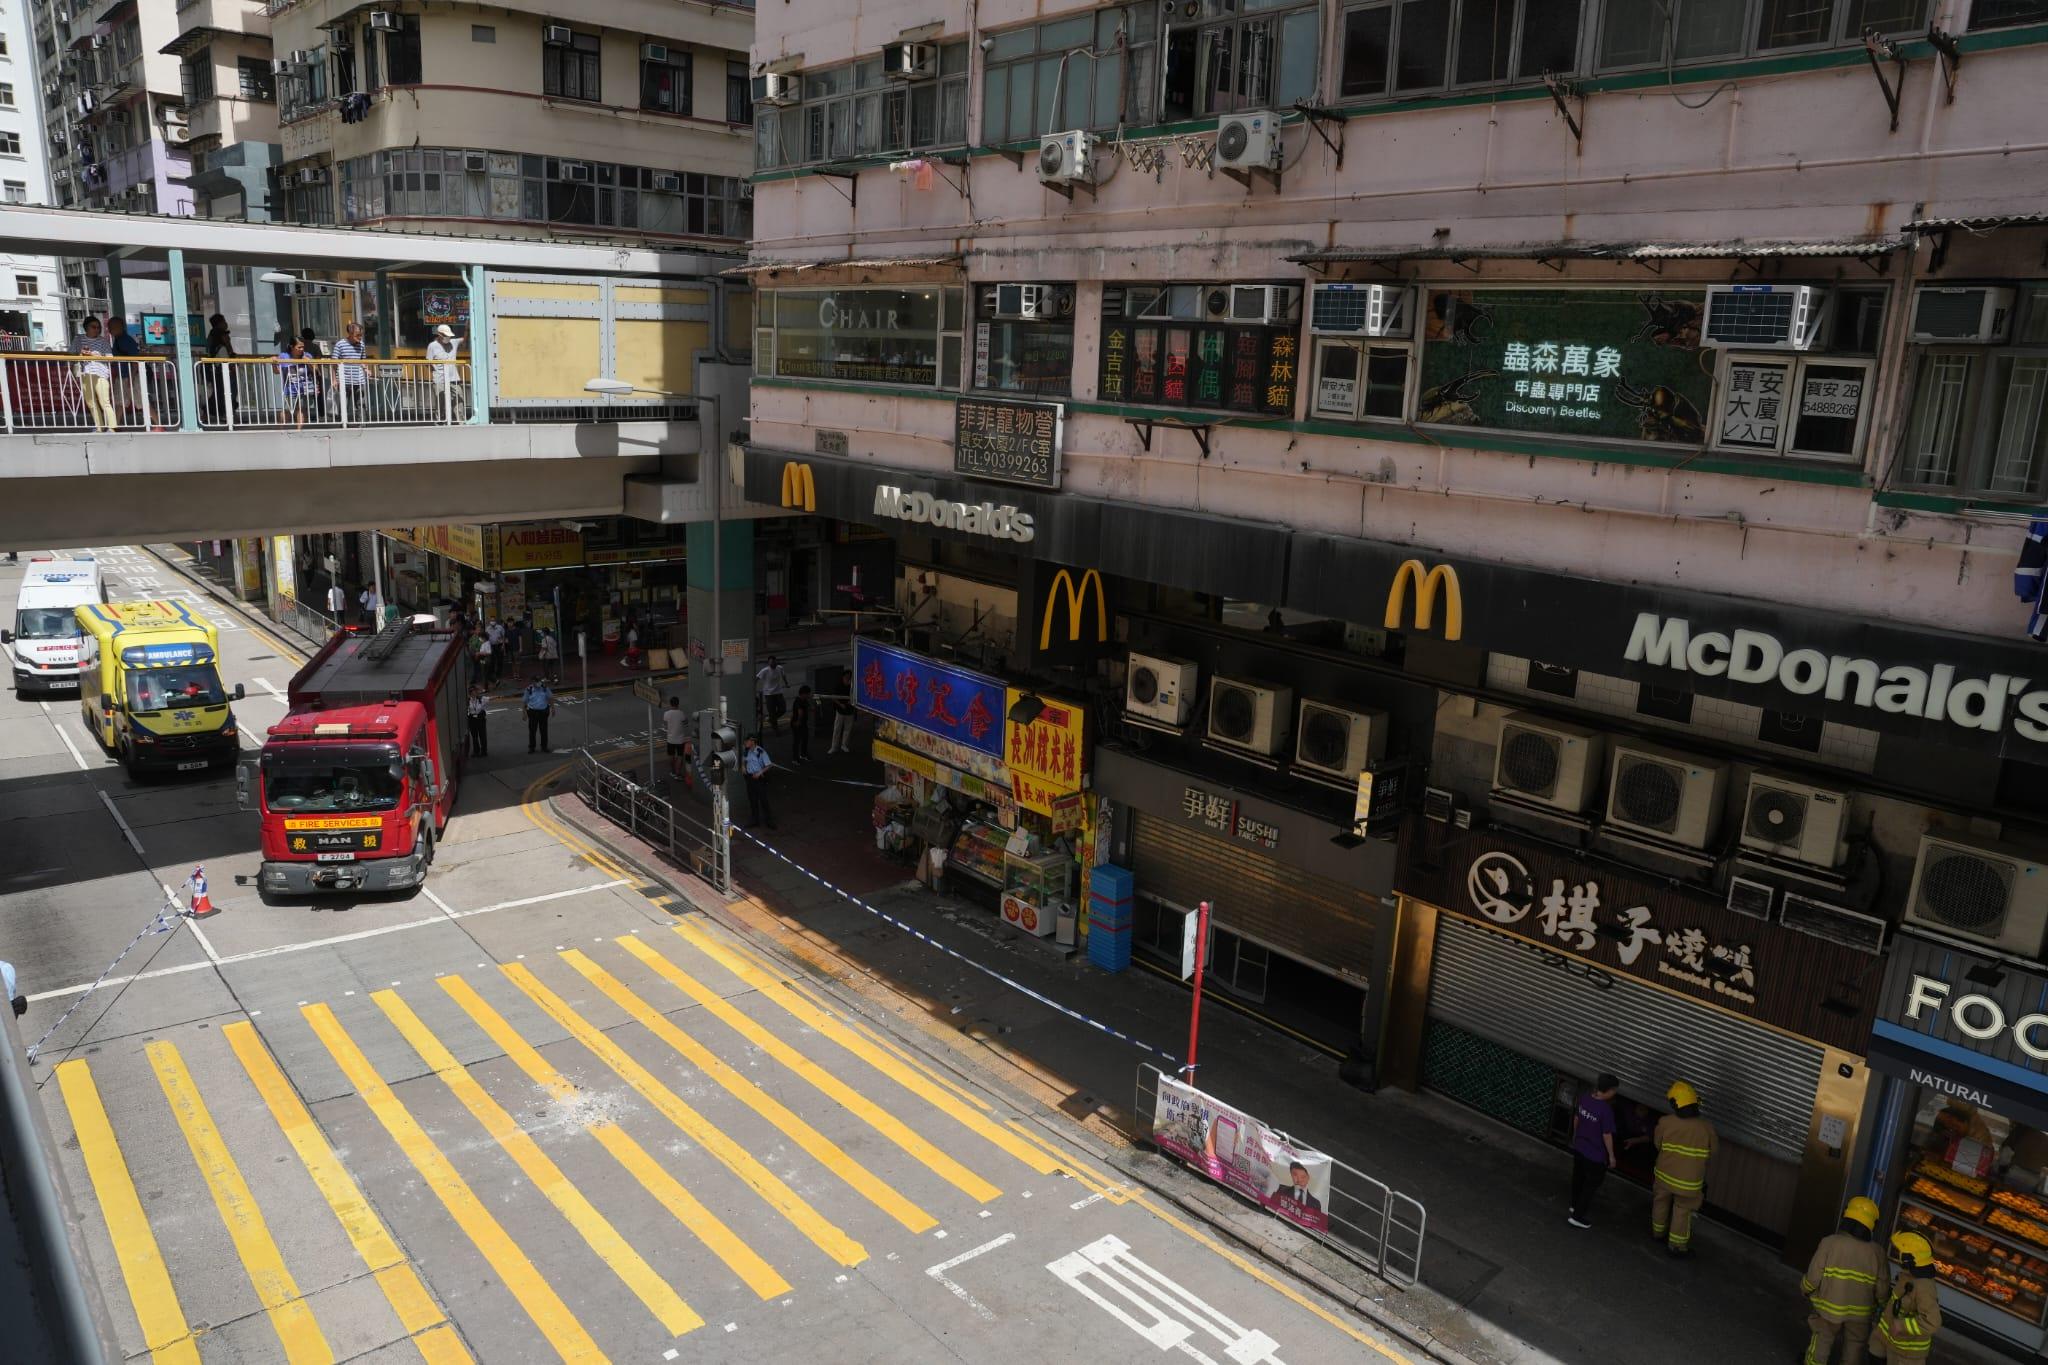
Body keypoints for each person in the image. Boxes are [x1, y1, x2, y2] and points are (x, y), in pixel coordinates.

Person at [1803, 1197, 1888, 1365]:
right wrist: (1882, 1305)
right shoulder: (1878, 1252)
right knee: (1855, 1347)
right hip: (1861, 1314)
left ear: (1846, 1217)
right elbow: (1883, 1288)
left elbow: (1813, 1277)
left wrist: (1805, 1289)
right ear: (1872, 1225)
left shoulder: (1829, 1242)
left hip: (1829, 1309)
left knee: (1822, 1340)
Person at [1650, 1080, 1718, 1257]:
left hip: (1664, 1175)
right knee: (1682, 1211)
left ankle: (1657, 1233)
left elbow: (1657, 1144)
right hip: (1688, 1183)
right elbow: (1714, 1151)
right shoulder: (1707, 1128)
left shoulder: (1665, 1122)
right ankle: (1676, 1246)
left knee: (1660, 1202)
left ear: (1675, 1104)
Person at [1870, 1232, 1940, 1360]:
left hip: (1906, 1353)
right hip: (1888, 1341)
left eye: (1901, 1252)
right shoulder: (1908, 1275)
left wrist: (1902, 1325)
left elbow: (1932, 1322)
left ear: (1909, 1259)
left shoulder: (1924, 1287)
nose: (1898, 1255)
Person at [1566, 1072, 1620, 1229]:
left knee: (1578, 1177)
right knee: (1591, 1184)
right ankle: (1577, 1217)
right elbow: (1606, 1134)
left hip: (1580, 1147)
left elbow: (1577, 1118)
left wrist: (1575, 1136)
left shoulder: (1585, 1099)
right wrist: (1611, 1156)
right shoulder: (1606, 1110)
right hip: (1595, 1154)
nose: (1614, 1093)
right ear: (1609, 1090)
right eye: (1614, 1090)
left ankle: (1574, 1205)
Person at [76, 316, 117, 432]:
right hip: (86, 373)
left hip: (101, 373)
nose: (97, 329)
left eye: (98, 327)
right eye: (93, 327)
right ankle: (100, 427)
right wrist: (80, 354)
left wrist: (95, 355)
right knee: (91, 402)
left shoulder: (103, 341)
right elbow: (71, 353)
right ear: (86, 328)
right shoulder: (79, 339)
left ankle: (112, 427)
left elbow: (110, 358)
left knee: (105, 402)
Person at [333, 321, 369, 423]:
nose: (360, 337)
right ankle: (343, 423)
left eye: (361, 335)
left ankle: (362, 423)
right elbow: (334, 363)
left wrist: (366, 369)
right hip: (344, 379)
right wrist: (334, 379)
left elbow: (362, 360)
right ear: (350, 333)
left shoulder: (361, 345)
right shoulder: (340, 344)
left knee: (361, 402)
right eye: (357, 335)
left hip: (358, 379)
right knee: (344, 402)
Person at [202, 314, 235, 426]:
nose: (226, 323)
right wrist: (232, 364)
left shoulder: (211, 335)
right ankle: (223, 414)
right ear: (220, 323)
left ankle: (213, 414)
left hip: (213, 369)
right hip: (219, 369)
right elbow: (228, 352)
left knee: (219, 392)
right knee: (223, 392)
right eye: (224, 321)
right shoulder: (220, 336)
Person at [277, 335, 314, 430]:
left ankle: (299, 430)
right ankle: (281, 429)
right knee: (287, 410)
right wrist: (274, 363)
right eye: (299, 347)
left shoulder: (307, 355)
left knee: (301, 409)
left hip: (304, 388)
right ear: (292, 347)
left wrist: (309, 362)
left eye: (303, 347)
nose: (302, 349)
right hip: (290, 388)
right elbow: (277, 371)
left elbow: (316, 369)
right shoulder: (284, 356)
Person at [427, 323, 463, 420]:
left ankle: (461, 421)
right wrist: (435, 374)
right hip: (439, 379)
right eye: (445, 335)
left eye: (449, 335)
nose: (448, 337)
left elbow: (465, 339)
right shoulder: (432, 346)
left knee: (459, 399)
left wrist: (468, 328)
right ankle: (440, 421)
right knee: (440, 402)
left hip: (454, 378)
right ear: (439, 334)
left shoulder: (453, 342)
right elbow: (428, 362)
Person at [741, 734, 775, 828]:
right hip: (749, 778)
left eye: (747, 741)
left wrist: (760, 773)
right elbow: (744, 759)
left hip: (759, 779)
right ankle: (755, 820)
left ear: (752, 741)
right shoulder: (746, 751)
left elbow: (769, 765)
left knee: (763, 800)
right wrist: (743, 766)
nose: (745, 742)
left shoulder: (760, 751)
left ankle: (769, 821)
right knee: (752, 800)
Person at [663, 695, 693, 786]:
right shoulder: (681, 714)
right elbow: (686, 723)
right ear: (678, 704)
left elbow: (665, 724)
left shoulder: (666, 714)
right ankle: (678, 773)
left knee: (671, 756)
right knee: (680, 756)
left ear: (670, 704)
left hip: (670, 739)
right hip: (680, 740)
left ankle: (672, 771)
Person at [523, 674, 555, 753]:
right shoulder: (529, 689)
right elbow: (525, 701)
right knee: (532, 731)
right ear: (532, 682)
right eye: (536, 681)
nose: (538, 683)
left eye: (539, 681)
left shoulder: (544, 688)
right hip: (532, 712)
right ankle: (532, 747)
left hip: (543, 711)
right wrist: (524, 713)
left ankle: (544, 747)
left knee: (544, 731)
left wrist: (553, 708)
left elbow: (550, 697)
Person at [757, 656, 790, 731]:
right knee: (772, 712)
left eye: (774, 662)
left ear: (776, 661)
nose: (773, 664)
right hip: (769, 694)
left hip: (778, 692)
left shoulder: (780, 668)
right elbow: (757, 678)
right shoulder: (765, 670)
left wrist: (786, 683)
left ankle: (771, 719)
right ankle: (776, 729)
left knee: (783, 709)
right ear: (768, 663)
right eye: (771, 662)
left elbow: (783, 676)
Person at [789, 685, 814, 762]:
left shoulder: (804, 700)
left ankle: (803, 755)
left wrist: (811, 707)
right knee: (797, 741)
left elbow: (810, 707)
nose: (809, 695)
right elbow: (800, 712)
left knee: (805, 739)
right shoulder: (798, 701)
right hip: (797, 723)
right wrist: (798, 722)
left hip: (802, 723)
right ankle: (795, 759)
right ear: (803, 694)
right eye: (808, 694)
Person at [466, 682, 489, 757]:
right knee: (474, 736)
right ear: (470, 693)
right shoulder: (468, 701)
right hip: (472, 719)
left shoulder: (482, 699)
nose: (475, 693)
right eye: (473, 691)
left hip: (480, 718)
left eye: (476, 691)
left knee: (482, 735)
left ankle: (484, 751)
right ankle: (476, 751)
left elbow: (490, 698)